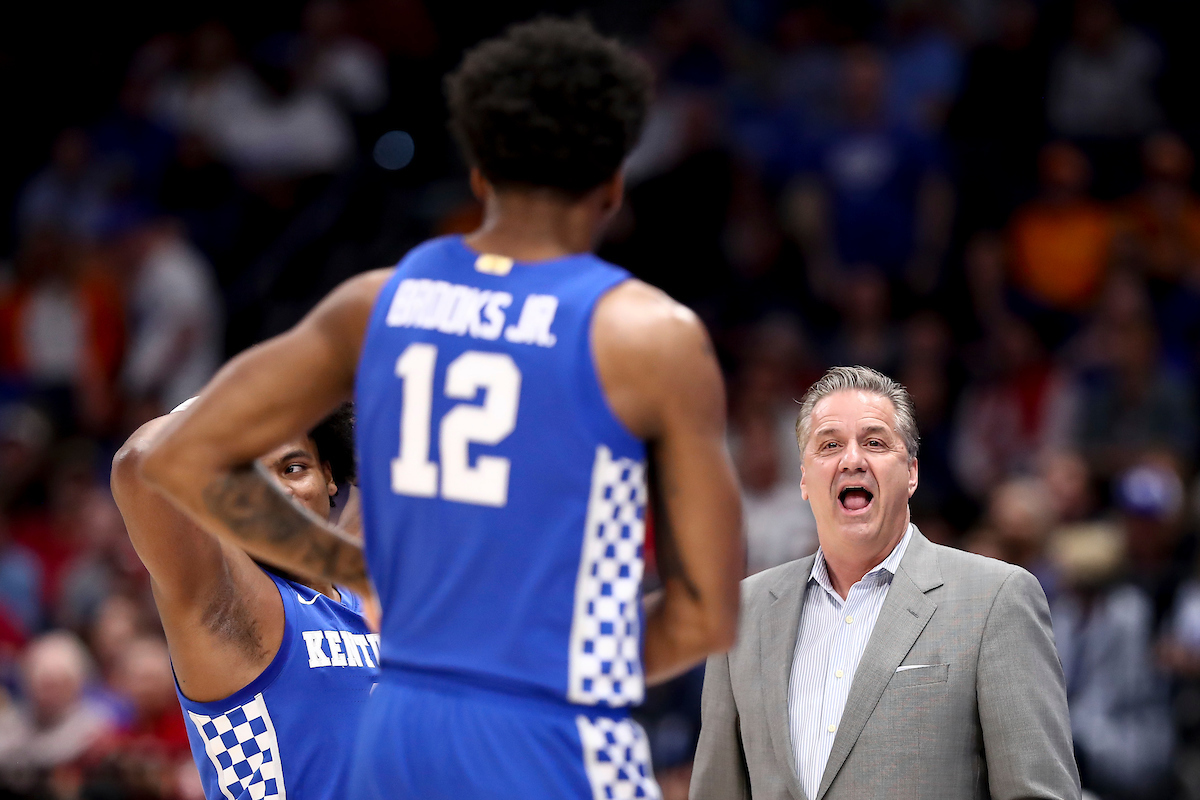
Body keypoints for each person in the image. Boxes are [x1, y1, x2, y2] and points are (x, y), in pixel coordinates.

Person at [139, 18, 743, 800]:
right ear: (614, 185)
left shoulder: (377, 304)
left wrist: (344, 567)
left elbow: (177, 457)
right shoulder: (654, 337)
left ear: (479, 175)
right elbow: (702, 617)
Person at [690, 366, 1080, 800]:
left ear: (911, 472)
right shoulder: (742, 613)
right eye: (830, 445)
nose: (852, 459)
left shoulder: (996, 599)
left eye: (874, 443)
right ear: (803, 478)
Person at [111, 401, 376, 800]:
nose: (279, 493)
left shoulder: (365, 599)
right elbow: (142, 461)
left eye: (293, 468)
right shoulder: (228, 602)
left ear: (328, 476)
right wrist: (243, 396)